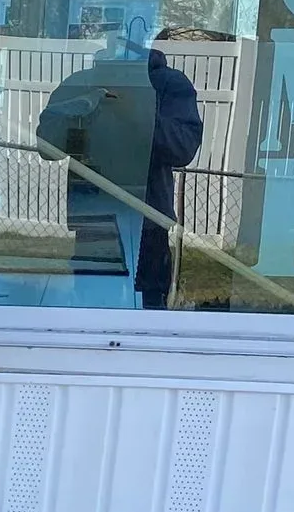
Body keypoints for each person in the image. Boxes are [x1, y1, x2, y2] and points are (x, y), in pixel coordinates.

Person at [34, 32, 203, 307]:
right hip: (94, 216)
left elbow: (182, 149)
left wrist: (136, 114)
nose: (120, 46)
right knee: (92, 304)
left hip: (148, 219)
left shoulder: (168, 84)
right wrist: (81, 113)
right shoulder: (82, 83)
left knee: (147, 311)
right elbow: (46, 146)